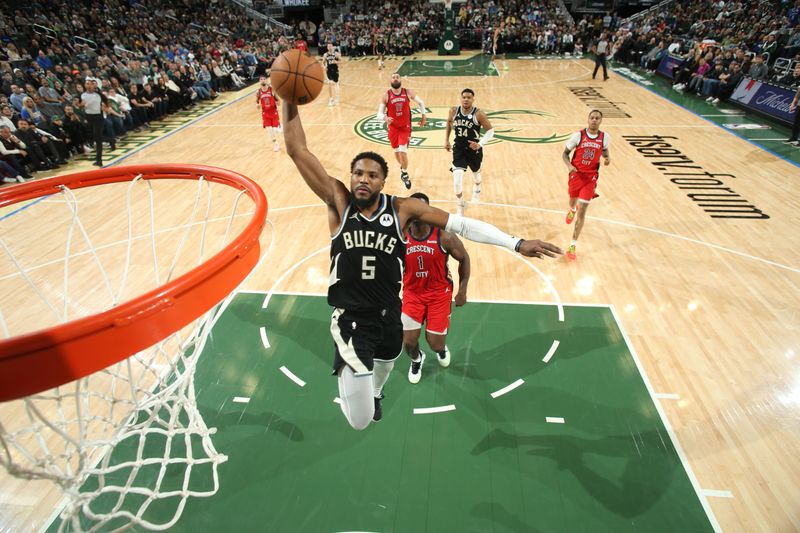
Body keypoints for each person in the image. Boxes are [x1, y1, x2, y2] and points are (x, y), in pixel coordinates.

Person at [282, 100, 562, 430]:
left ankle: (377, 391)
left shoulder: (402, 210)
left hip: (389, 311)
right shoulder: (338, 201)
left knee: (388, 361)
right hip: (352, 319)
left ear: (383, 182)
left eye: (372, 175)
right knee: (359, 421)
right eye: (358, 173)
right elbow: (297, 149)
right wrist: (288, 97)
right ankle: (357, 382)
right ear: (350, 177)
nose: (363, 179)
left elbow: (462, 226)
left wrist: (516, 243)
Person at [402, 192, 470, 384]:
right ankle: (417, 359)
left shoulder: (444, 236)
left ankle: (440, 350)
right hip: (412, 294)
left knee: (435, 343)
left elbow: (464, 258)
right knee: (409, 342)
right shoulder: (401, 236)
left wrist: (463, 289)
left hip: (439, 294)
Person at [563, 110, 610, 260]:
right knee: (573, 201)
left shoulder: (604, 137)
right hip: (577, 175)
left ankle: (572, 245)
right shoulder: (578, 136)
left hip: (591, 178)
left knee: (583, 210)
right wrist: (570, 166)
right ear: (588, 119)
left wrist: (607, 158)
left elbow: (604, 151)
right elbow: (564, 154)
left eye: (597, 118)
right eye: (592, 118)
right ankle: (571, 209)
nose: (594, 120)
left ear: (601, 121)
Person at [444, 88, 494, 215]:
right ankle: (460, 204)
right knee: (457, 179)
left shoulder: (479, 114)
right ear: (460, 98)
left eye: (468, 97)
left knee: (476, 174)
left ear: (473, 99)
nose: (466, 99)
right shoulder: (453, 111)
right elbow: (449, 123)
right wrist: (446, 140)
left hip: (473, 149)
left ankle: (477, 187)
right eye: (464, 97)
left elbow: (490, 131)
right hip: (459, 148)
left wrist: (480, 144)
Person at [378, 73, 426, 189]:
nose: (395, 78)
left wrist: (423, 115)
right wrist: (385, 117)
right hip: (393, 127)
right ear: (391, 80)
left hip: (405, 127)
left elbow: (421, 103)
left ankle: (404, 173)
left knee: (403, 151)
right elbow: (379, 113)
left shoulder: (407, 92)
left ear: (400, 80)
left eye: (397, 77)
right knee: (397, 152)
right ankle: (402, 167)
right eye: (393, 77)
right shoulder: (386, 95)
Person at [82, 77, 116, 167]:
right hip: (89, 117)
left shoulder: (99, 95)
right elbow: (79, 105)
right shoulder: (82, 95)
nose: (89, 86)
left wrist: (106, 108)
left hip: (98, 117)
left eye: (91, 84)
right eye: (87, 84)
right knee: (94, 136)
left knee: (97, 139)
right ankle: (112, 140)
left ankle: (99, 159)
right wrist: (81, 106)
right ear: (85, 85)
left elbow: (107, 101)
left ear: (94, 85)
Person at [256, 74, 281, 152]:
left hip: (273, 112)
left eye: (264, 79)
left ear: (266, 80)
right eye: (261, 79)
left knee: (276, 131)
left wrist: (277, 103)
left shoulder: (271, 89)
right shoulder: (258, 91)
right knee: (270, 131)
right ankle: (276, 144)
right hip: (265, 114)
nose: (263, 80)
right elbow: (257, 101)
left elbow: (278, 100)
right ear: (259, 81)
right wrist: (257, 105)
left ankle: (281, 127)